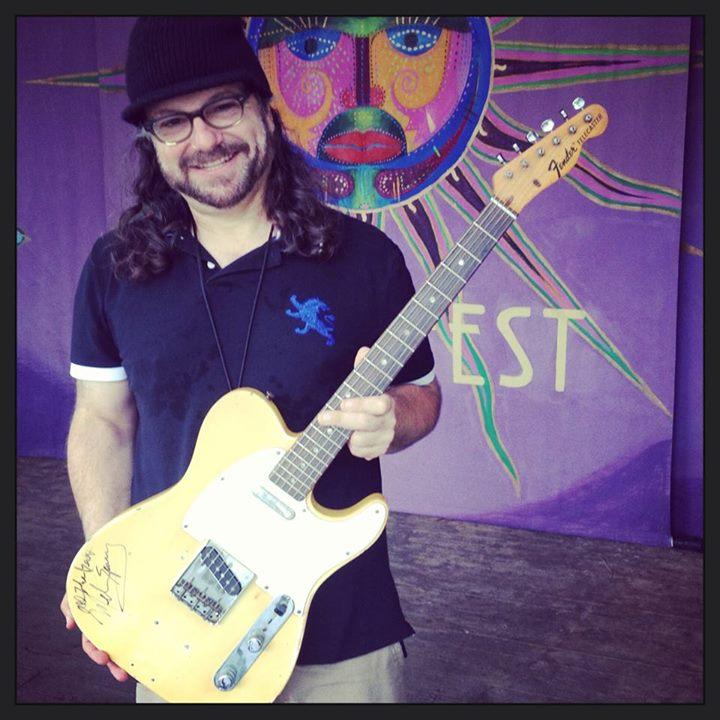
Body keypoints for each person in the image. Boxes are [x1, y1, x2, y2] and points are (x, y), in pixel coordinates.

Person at [59, 16, 441, 704]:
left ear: (265, 108)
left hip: (341, 634)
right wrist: (108, 568)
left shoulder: (365, 260)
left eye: (221, 107)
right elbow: (103, 422)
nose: (203, 138)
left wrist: (397, 419)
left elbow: (422, 394)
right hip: (177, 625)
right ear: (152, 141)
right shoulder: (115, 268)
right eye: (173, 121)